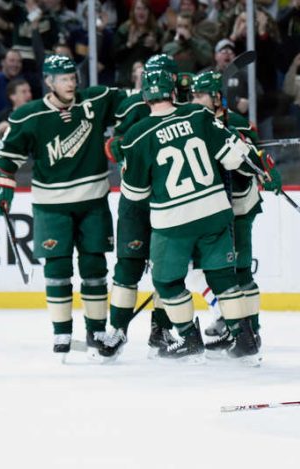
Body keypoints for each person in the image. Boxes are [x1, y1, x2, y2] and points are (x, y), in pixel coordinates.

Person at [119, 68, 265, 364]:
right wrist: (263, 169)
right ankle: (244, 337)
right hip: (215, 212)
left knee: (167, 282)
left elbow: (135, 194)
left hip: (173, 221)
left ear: (145, 97)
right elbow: (239, 157)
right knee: (223, 277)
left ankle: (188, 337)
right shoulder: (199, 116)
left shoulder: (136, 135)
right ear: (174, 92)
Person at [0, 54, 127, 360]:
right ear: (49, 82)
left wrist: (124, 136)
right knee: (57, 267)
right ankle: (62, 332)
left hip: (93, 200)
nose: (71, 83)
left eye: (73, 77)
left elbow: (132, 106)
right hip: (51, 206)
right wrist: (1, 185)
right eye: (64, 79)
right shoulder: (29, 116)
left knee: (94, 266)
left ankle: (96, 330)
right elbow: (7, 158)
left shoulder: (95, 101)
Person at [103, 55, 222, 358]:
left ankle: (161, 330)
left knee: (167, 268)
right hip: (136, 205)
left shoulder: (188, 110)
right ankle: (117, 329)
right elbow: (113, 144)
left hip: (171, 205)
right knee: (128, 266)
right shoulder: (134, 106)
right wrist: (119, 150)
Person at [188, 70, 282, 352]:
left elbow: (253, 160)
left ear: (217, 97)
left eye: (200, 96)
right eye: (193, 96)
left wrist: (266, 170)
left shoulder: (238, 123)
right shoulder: (194, 122)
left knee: (240, 271)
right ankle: (226, 318)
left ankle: (251, 331)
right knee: (205, 269)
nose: (195, 101)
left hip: (240, 206)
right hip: (211, 208)